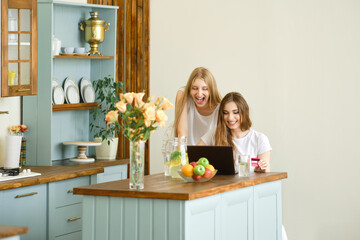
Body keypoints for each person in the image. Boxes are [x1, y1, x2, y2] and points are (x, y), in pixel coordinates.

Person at [198, 92, 271, 172]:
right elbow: (195, 154)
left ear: (244, 112)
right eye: (225, 113)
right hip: (222, 184)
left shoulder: (259, 139)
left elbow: (266, 172)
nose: (230, 118)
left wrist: (260, 169)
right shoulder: (215, 133)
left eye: (235, 112)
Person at [174, 67, 222, 145]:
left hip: (211, 156)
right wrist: (181, 156)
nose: (199, 93)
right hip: (186, 154)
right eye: (194, 88)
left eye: (205, 89)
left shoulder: (220, 108)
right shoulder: (183, 95)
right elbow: (181, 133)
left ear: (212, 90)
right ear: (189, 89)